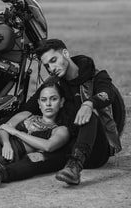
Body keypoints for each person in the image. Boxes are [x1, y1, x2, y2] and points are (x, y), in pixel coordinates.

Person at [22, 39, 121, 186]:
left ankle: (75, 167)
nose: (52, 68)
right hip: (65, 145)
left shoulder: (96, 76)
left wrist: (89, 103)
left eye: (54, 60)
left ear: (65, 53)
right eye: (48, 66)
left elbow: (107, 94)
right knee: (32, 162)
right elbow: (29, 108)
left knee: (88, 115)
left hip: (97, 149)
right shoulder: (54, 83)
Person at [0, 82, 70, 187]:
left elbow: (48, 146)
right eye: (44, 100)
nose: (48, 104)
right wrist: (6, 143)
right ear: (39, 104)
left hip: (11, 155)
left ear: (62, 102)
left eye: (54, 99)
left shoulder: (60, 130)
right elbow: (3, 129)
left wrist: (16, 132)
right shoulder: (26, 114)